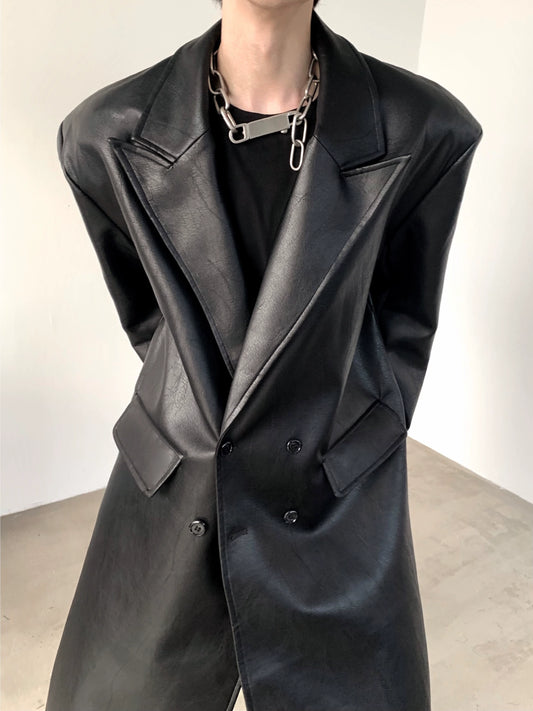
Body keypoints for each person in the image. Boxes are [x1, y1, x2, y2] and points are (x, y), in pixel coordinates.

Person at [46, 1, 483, 710]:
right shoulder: (105, 132)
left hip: (332, 481)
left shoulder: (425, 128)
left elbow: (405, 317)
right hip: (173, 478)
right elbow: (149, 315)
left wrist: (364, 427)